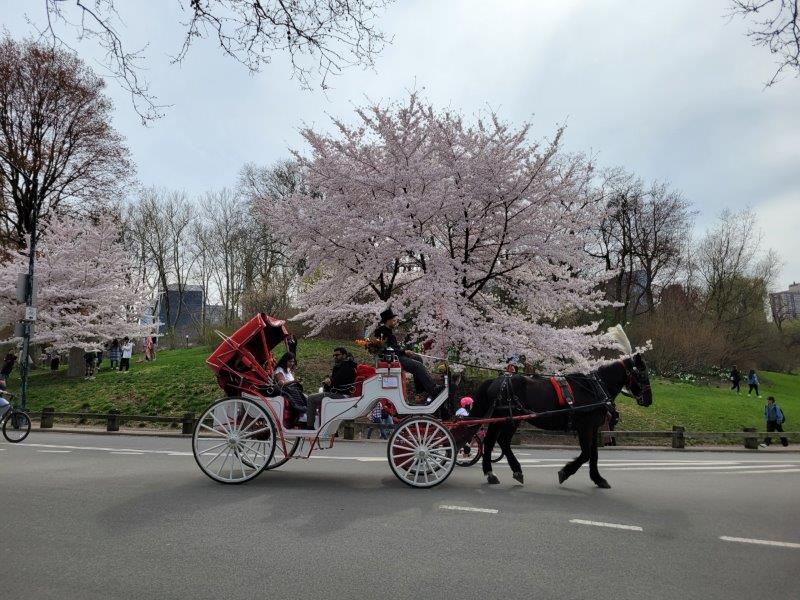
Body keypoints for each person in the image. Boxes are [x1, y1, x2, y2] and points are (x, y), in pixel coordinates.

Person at [373, 308, 444, 402]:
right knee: (418, 366)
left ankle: (420, 389)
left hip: (397, 355)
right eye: (393, 320)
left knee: (418, 358)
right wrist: (404, 352)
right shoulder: (383, 333)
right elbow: (388, 349)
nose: (395, 322)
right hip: (393, 358)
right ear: (388, 321)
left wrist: (404, 351)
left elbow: (393, 347)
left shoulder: (387, 331)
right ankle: (433, 389)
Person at [305, 347, 356, 429]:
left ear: (344, 355)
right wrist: (329, 381)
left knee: (311, 398)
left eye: (337, 355)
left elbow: (337, 381)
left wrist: (329, 380)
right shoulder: (345, 365)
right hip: (339, 393)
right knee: (316, 397)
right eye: (334, 355)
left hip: (342, 395)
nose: (335, 357)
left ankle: (309, 427)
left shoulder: (346, 366)